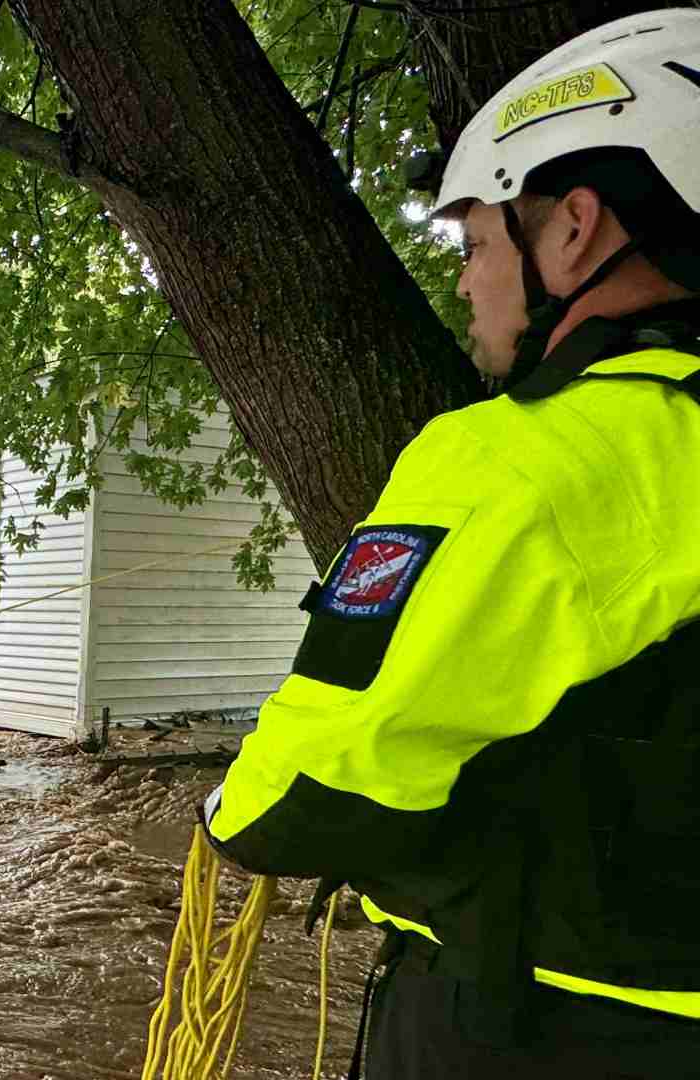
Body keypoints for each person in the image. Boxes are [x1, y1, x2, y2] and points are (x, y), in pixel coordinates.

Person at [200, 11, 700, 1077]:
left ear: (574, 225)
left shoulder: (518, 457)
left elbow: (307, 791)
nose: (467, 282)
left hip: (533, 1032)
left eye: (476, 241)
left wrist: (226, 814)